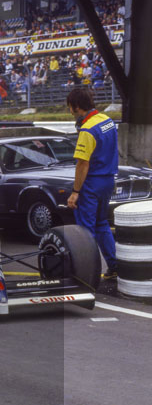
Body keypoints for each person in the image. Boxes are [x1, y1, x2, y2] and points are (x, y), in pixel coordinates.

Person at [66, 88, 118, 278]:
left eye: (70, 108)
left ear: (76, 107)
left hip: (92, 183)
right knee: (102, 223)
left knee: (85, 232)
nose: (70, 112)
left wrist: (75, 191)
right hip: (108, 179)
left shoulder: (87, 130)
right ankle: (114, 266)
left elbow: (82, 164)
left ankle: (88, 274)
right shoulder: (107, 120)